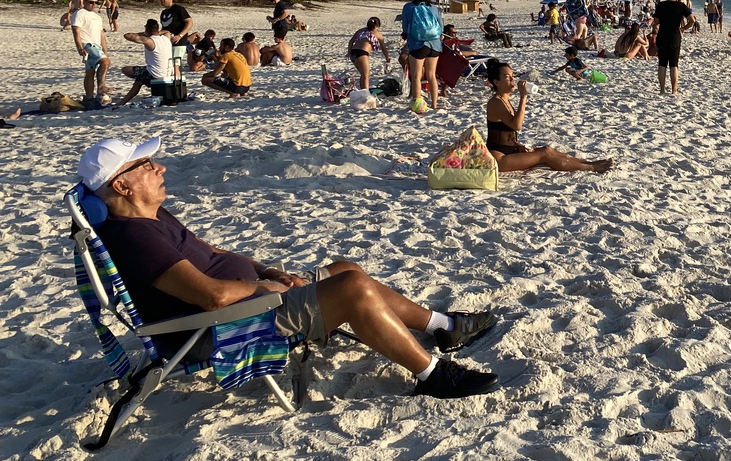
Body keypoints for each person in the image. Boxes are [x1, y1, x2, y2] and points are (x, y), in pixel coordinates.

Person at [77, 136, 498, 399]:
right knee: (352, 289)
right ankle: (431, 374)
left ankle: (444, 326)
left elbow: (210, 252)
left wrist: (268, 271)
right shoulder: (135, 238)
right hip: (224, 326)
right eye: (146, 165)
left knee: (346, 269)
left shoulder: (149, 215)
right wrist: (267, 290)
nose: (159, 167)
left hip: (252, 297)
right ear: (121, 185)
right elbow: (212, 296)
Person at [484, 61, 613, 172]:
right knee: (545, 155)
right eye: (507, 77)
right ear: (496, 82)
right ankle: (591, 168)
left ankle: (587, 163)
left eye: (513, 76)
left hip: (511, 150)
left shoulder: (504, 99)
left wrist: (519, 145)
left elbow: (505, 132)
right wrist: (523, 97)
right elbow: (517, 125)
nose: (513, 80)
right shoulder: (495, 102)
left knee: (547, 149)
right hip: (499, 159)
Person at [400, 0, 442, 111]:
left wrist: (405, 35)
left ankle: (417, 105)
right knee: (431, 76)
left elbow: (406, 27)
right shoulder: (434, 8)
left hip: (418, 44)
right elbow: (440, 27)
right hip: (434, 45)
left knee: (417, 76)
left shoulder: (409, 7)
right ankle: (434, 104)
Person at [117, 18, 175, 104]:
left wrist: (144, 34)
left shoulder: (150, 41)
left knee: (128, 72)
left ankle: (122, 102)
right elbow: (167, 31)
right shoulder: (166, 38)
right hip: (168, 72)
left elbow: (127, 35)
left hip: (155, 73)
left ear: (147, 29)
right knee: (139, 74)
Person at [650, 0, 693, 95]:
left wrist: (655, 26)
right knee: (674, 64)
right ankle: (674, 90)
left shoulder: (661, 5)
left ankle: (662, 90)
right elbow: (692, 20)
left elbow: (656, 22)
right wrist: (683, 28)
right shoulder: (681, 6)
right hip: (675, 36)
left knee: (662, 63)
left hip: (663, 35)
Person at [71, 0, 111, 104]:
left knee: (90, 71)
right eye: (91, 2)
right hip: (88, 45)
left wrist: (105, 50)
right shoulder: (80, 14)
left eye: (95, 2)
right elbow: (76, 31)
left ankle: (89, 97)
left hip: (97, 45)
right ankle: (101, 87)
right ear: (84, 2)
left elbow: (101, 34)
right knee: (105, 62)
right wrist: (79, 47)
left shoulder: (97, 17)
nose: (93, 5)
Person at [347, 16, 392, 91]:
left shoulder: (361, 31)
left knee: (363, 75)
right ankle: (365, 93)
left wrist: (348, 52)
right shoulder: (378, 34)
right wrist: (387, 57)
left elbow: (351, 41)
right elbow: (383, 48)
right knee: (366, 75)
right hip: (362, 53)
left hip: (353, 52)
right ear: (377, 26)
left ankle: (363, 91)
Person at [157, 0, 194, 74]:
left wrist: (180, 35)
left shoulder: (179, 9)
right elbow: (165, 28)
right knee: (168, 64)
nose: (161, 0)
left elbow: (189, 22)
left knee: (176, 64)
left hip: (179, 41)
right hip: (167, 41)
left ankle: (177, 84)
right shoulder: (164, 12)